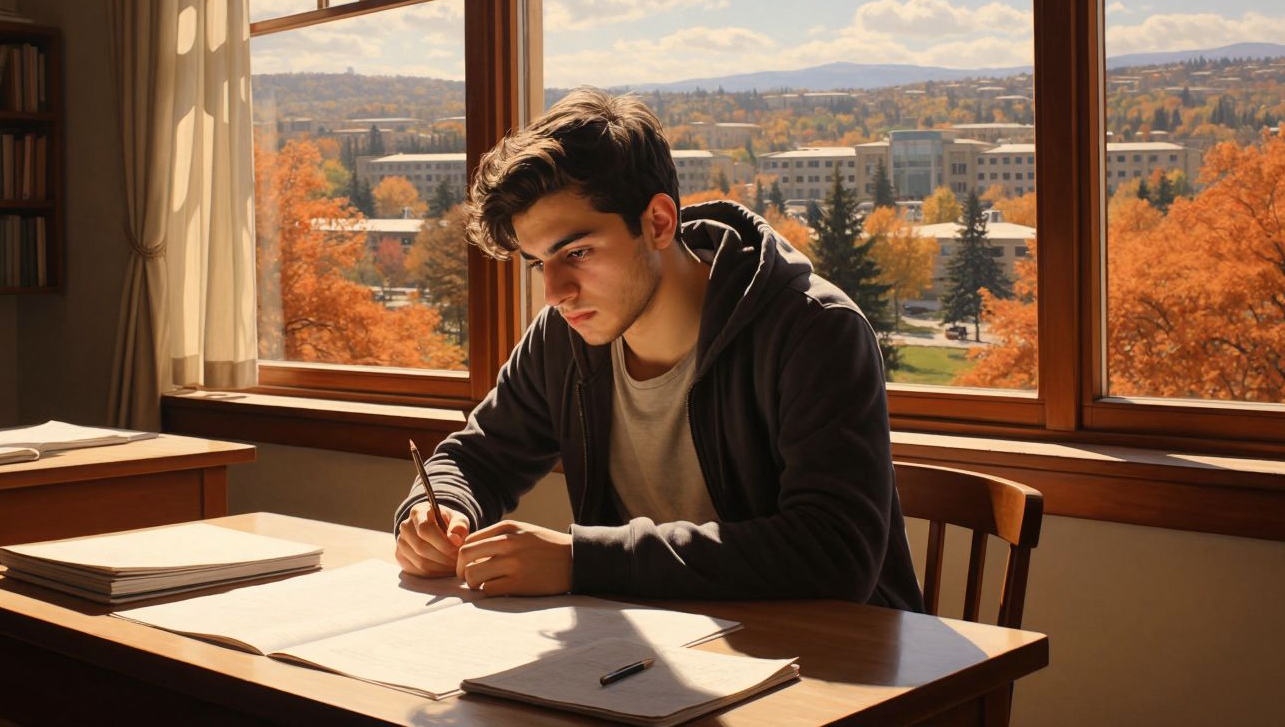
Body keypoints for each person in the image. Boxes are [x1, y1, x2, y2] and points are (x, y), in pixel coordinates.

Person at [393, 87, 922, 610]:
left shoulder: (813, 331)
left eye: (577, 252)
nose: (555, 293)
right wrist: (435, 511)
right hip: (658, 656)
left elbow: (835, 552)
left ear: (659, 222)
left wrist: (583, 561)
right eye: (538, 263)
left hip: (837, 664)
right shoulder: (565, 336)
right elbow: (476, 458)